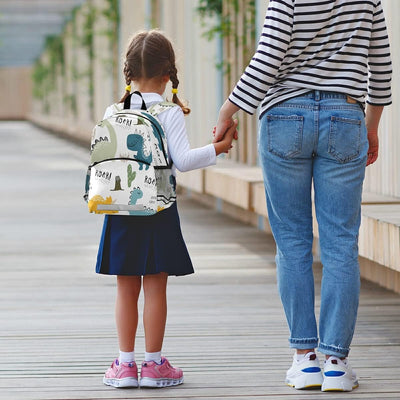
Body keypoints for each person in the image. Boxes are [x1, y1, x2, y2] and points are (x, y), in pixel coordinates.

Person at [214, 0, 392, 392]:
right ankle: (336, 364)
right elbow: (381, 68)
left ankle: (305, 361)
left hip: (284, 115)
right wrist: (372, 125)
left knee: (292, 241)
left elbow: (268, 56)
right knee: (340, 243)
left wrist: (228, 111)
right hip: (346, 116)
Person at [96, 30, 237, 389]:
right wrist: (218, 148)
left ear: (127, 73)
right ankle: (155, 364)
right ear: (167, 75)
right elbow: (185, 161)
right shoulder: (168, 111)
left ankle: (125, 367)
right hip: (158, 209)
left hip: (121, 207)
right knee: (156, 288)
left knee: (125, 288)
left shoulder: (114, 110)